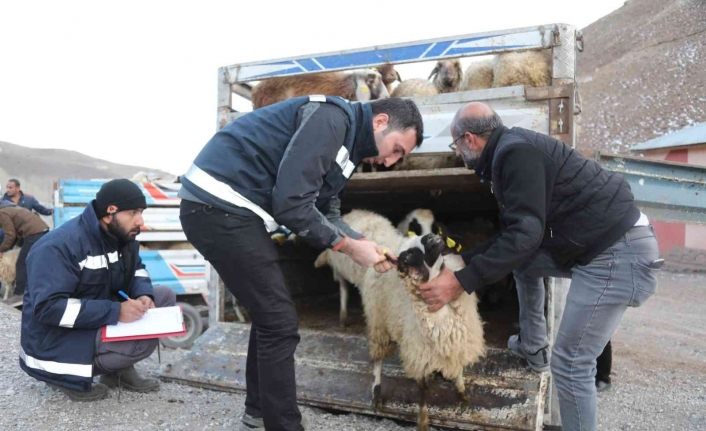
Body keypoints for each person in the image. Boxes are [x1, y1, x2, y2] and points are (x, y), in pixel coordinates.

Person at [179, 96, 424, 431]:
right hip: (218, 206)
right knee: (279, 321)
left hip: (230, 211)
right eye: (396, 149)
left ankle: (259, 412)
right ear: (380, 122)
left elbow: (326, 210)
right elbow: (291, 205)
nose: (391, 162)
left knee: (270, 315)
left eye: (400, 157)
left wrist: (365, 243)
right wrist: (350, 248)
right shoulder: (331, 119)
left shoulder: (347, 145)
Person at [418, 102, 659, 431]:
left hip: (615, 255)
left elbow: (525, 235)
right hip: (601, 247)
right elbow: (518, 239)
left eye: (456, 145)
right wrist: (463, 260)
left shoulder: (515, 154)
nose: (458, 153)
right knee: (525, 263)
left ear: (469, 139)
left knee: (571, 363)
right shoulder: (511, 151)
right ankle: (533, 346)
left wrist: (460, 280)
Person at [20, 179, 176, 401]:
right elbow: (48, 309)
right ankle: (68, 378)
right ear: (110, 212)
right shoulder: (58, 246)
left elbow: (137, 270)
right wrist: (115, 312)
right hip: (56, 340)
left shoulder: (122, 237)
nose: (140, 221)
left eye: (141, 212)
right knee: (141, 343)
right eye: (133, 213)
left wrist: (144, 294)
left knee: (164, 297)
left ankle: (116, 371)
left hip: (91, 320)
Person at [0, 202, 50, 298]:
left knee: (21, 263)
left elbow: (10, 234)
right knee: (34, 262)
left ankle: (19, 294)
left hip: (35, 234)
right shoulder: (11, 209)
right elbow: (15, 234)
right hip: (42, 230)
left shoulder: (2, 213)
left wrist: (1, 249)